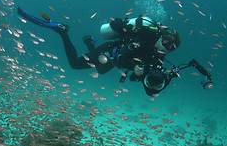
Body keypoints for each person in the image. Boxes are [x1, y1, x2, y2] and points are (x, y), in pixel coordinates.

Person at [17, 7, 213, 96]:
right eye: (167, 42)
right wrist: (137, 66)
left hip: (111, 61)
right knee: (75, 64)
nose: (167, 47)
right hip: (111, 51)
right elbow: (120, 58)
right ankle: (62, 32)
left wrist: (158, 78)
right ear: (162, 36)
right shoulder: (144, 39)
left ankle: (88, 44)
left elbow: (147, 86)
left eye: (171, 47)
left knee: (101, 70)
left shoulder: (158, 56)